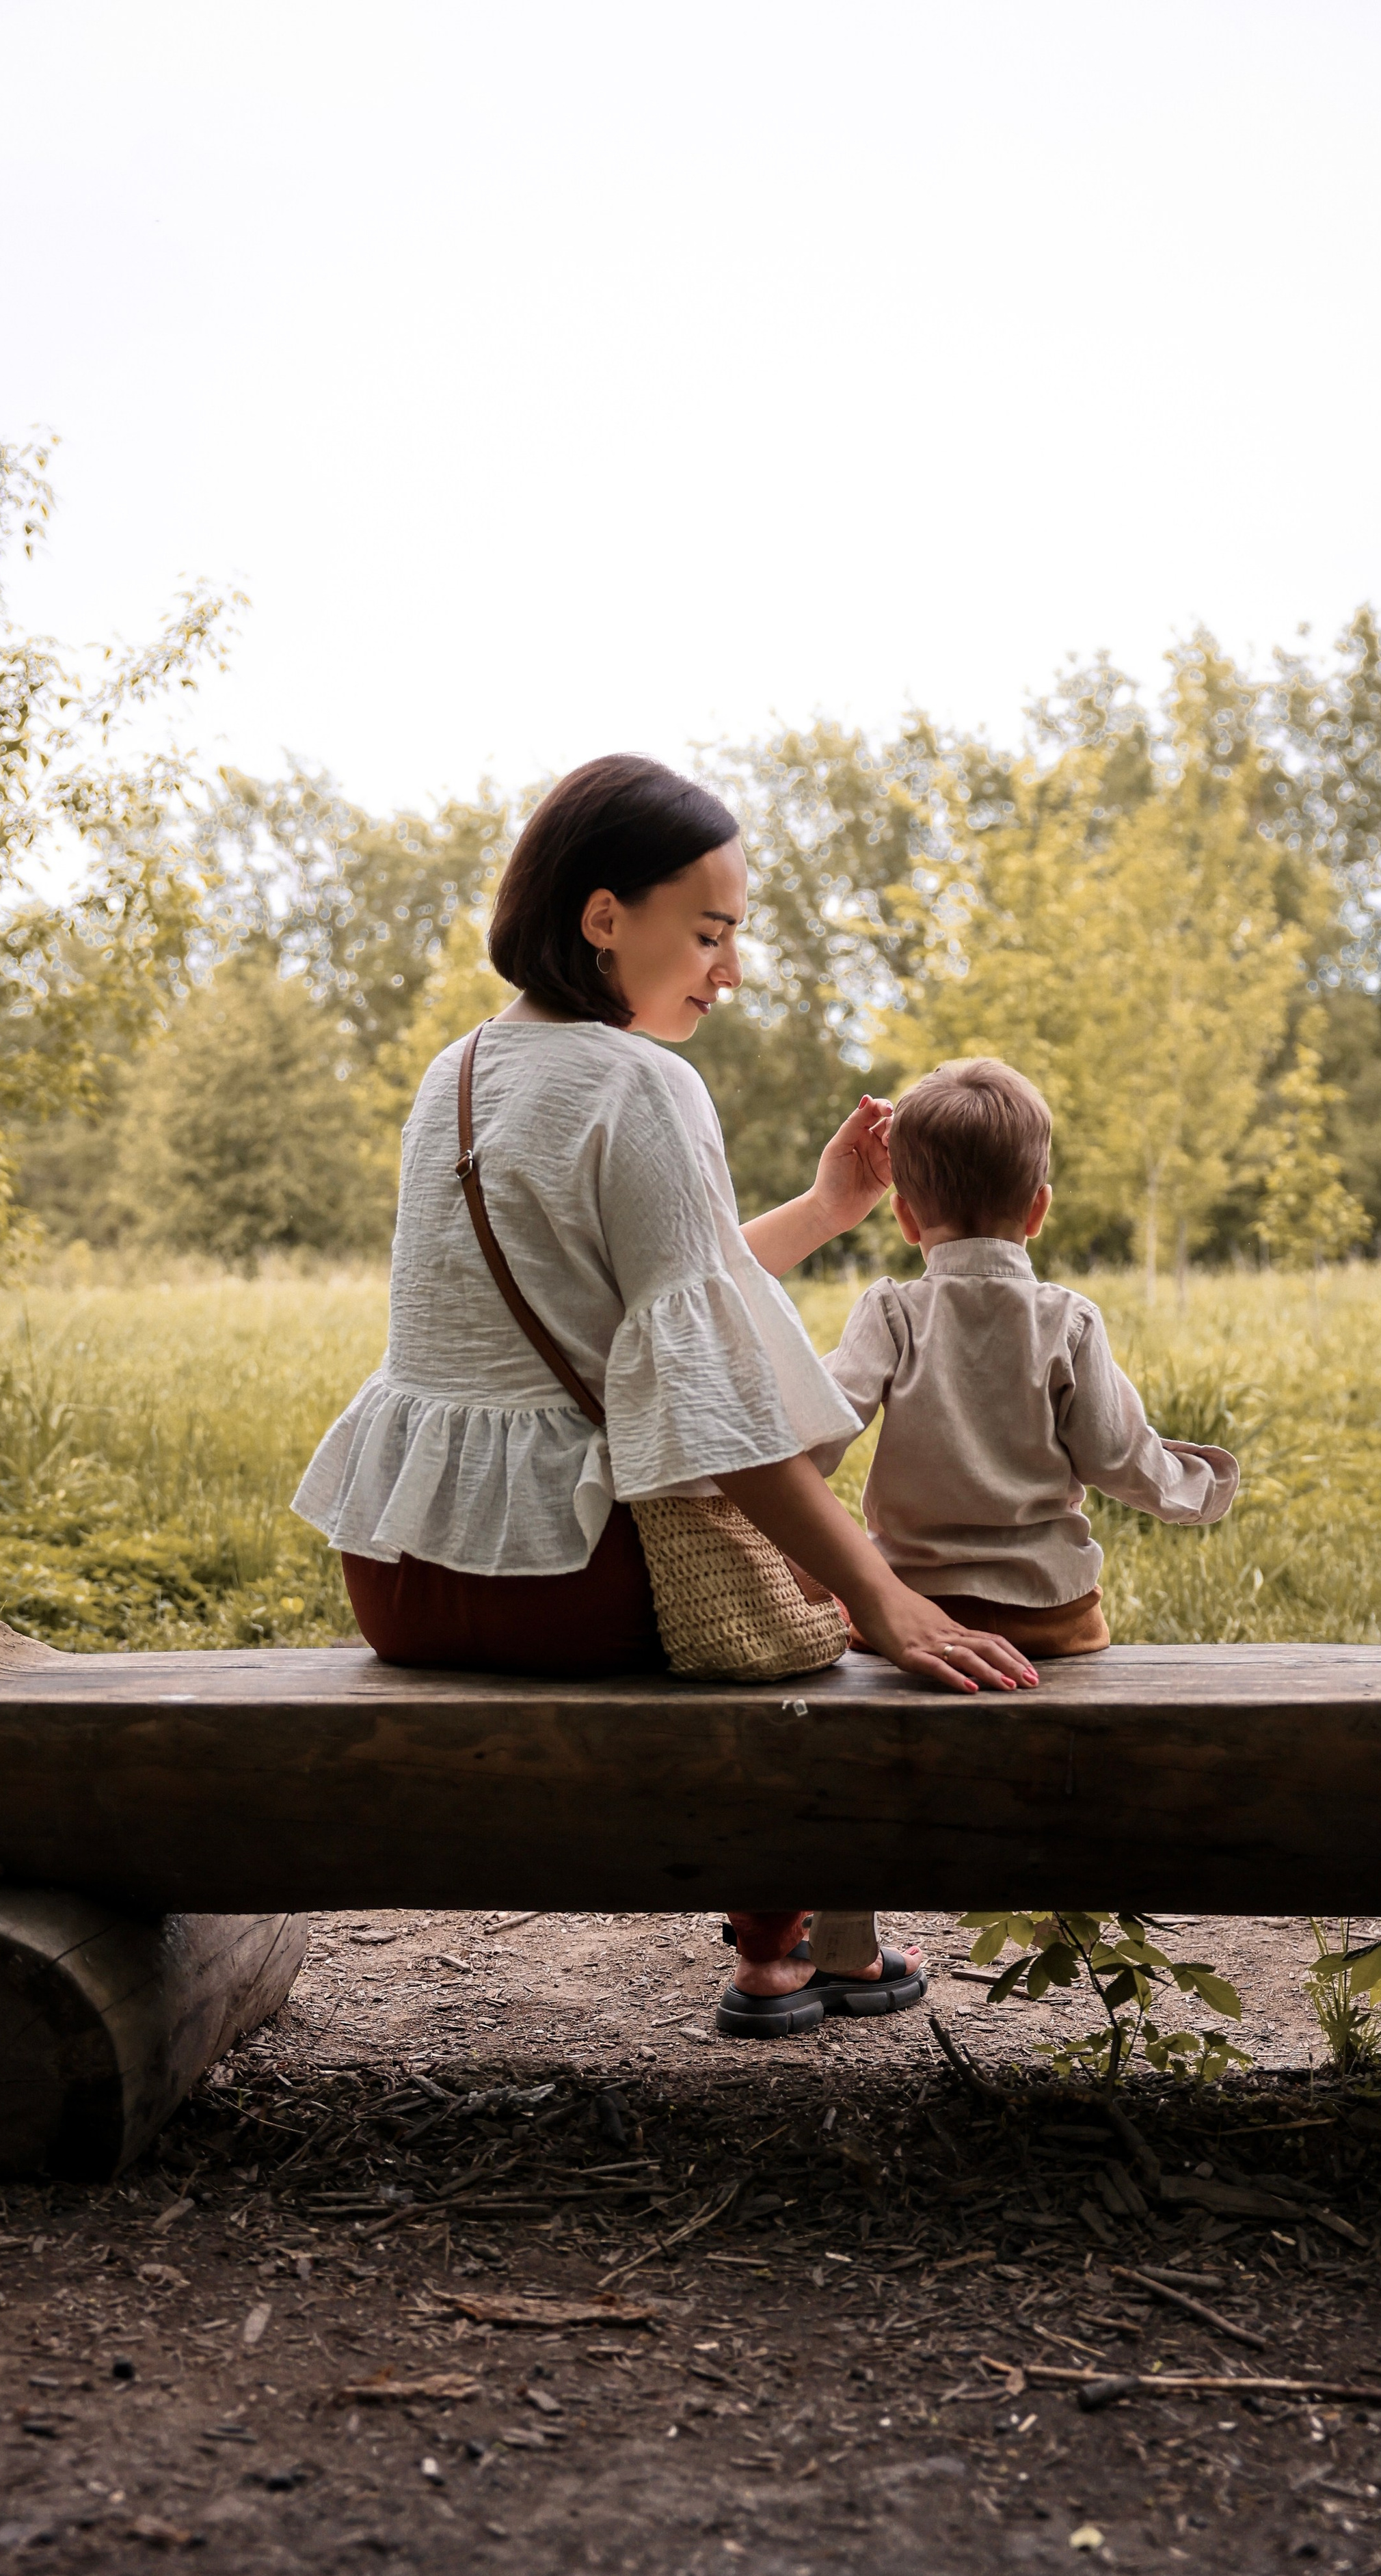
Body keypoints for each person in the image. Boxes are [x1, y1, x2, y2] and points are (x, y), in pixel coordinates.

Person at [292, 758, 1037, 2039]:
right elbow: (709, 1398)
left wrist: (824, 1211)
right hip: (558, 1586)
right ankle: (789, 1944)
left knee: (790, 1549)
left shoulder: (455, 1072)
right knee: (800, 1593)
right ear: (604, 917)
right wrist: (879, 1598)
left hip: (402, 1571)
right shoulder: (645, 1083)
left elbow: (632, 1306)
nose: (730, 970)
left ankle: (791, 1942)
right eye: (709, 932)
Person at [823, 1057, 1240, 1662]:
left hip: (914, 1612)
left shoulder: (891, 1312)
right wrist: (1202, 1485)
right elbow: (1116, 1454)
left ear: (905, 1217)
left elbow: (819, 1426)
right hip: (1052, 1620)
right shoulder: (1068, 1320)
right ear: (1039, 1209)